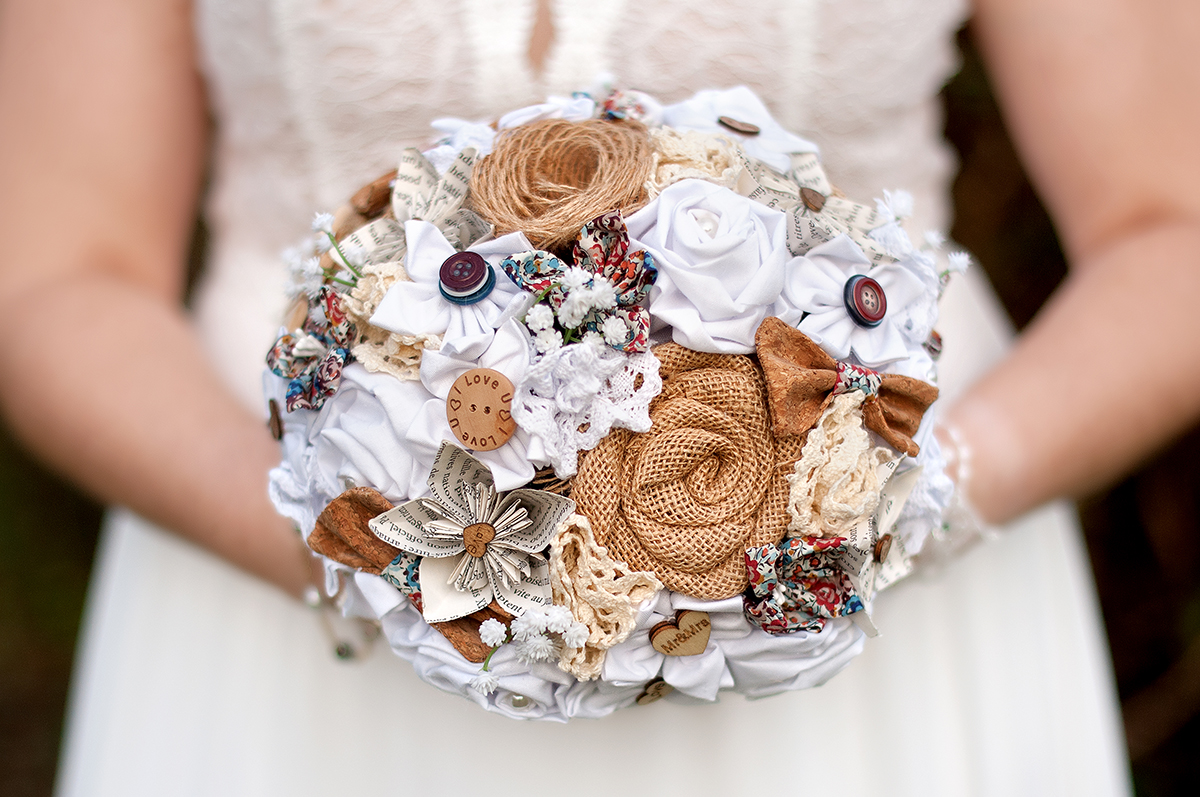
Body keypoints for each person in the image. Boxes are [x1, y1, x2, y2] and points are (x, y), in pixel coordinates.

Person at [1, 0, 1196, 793]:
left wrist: (901, 513)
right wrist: (350, 550)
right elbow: (58, 271)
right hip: (271, 600)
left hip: (881, 621)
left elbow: (1169, 227)